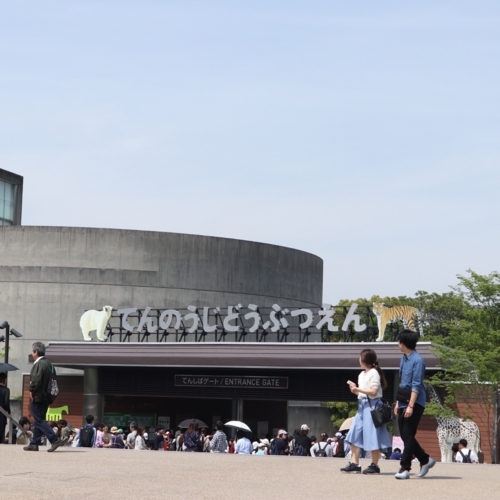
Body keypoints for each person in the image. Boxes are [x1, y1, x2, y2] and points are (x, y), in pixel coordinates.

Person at [341, 349, 391, 474]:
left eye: (360, 358)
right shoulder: (362, 374)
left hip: (372, 406)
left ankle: (375, 465)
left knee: (373, 435)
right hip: (362, 406)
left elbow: (373, 392)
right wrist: (355, 390)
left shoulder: (374, 373)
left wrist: (359, 390)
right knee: (354, 433)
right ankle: (355, 463)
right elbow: (363, 392)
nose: (359, 360)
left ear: (364, 360)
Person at [395, 330, 436, 479]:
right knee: (406, 435)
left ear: (403, 343)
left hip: (415, 402)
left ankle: (404, 468)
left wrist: (411, 406)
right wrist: (398, 403)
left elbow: (416, 385)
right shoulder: (403, 358)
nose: (398, 344)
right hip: (402, 400)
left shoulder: (418, 360)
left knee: (408, 434)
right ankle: (425, 460)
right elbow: (402, 383)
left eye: (399, 341)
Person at [24, 342, 67, 452]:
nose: (32, 354)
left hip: (39, 396)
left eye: (33, 352)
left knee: (38, 420)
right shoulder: (49, 364)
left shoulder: (39, 364)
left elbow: (36, 380)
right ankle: (34, 443)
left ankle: (54, 439)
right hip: (47, 396)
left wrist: (31, 389)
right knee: (40, 419)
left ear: (36, 352)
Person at [0, 373, 11, 444]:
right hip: (2, 414)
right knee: (1, 432)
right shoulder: (6, 390)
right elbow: (6, 403)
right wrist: (9, 412)